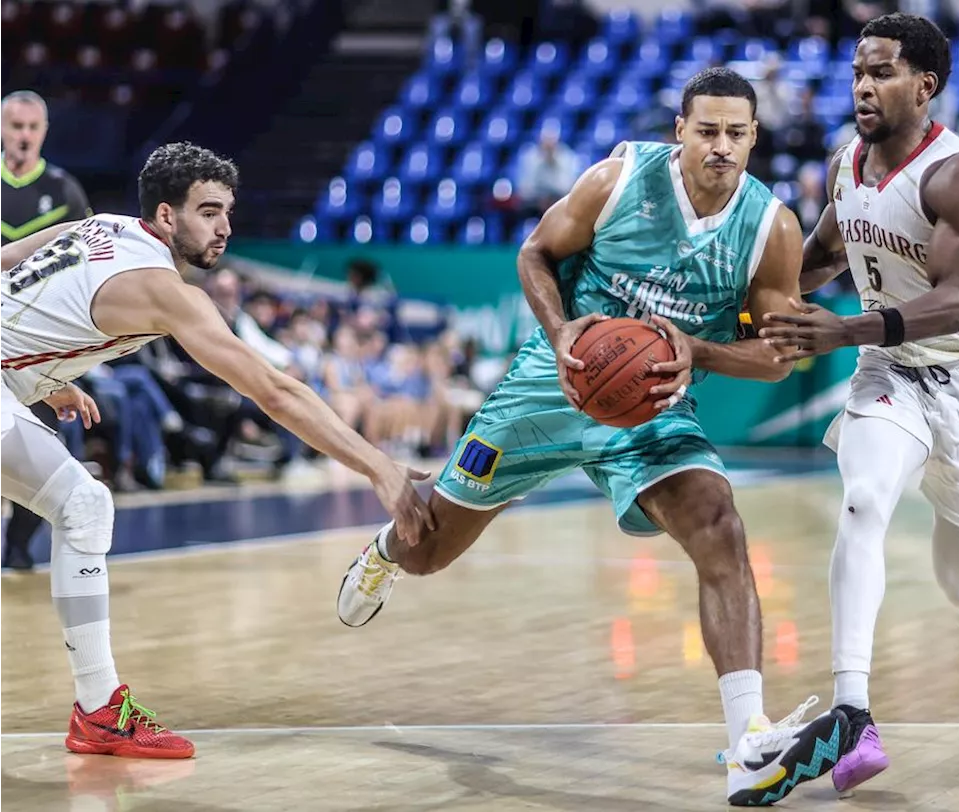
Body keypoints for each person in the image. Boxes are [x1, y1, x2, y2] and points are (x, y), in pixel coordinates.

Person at [334, 67, 851, 807]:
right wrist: (562, 329)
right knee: (426, 552)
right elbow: (534, 254)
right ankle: (385, 550)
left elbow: (777, 355)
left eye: (736, 133)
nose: (721, 146)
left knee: (718, 525)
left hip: (652, 403)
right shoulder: (618, 178)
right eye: (707, 130)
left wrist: (694, 353)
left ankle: (748, 744)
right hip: (554, 383)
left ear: (754, 138)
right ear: (680, 130)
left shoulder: (770, 226)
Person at [0, 141, 429, 759]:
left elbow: (11, 264)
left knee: (84, 505)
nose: (224, 228)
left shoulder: (101, 226)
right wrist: (377, 466)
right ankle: (99, 713)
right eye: (207, 211)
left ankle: (98, 711)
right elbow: (277, 393)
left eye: (227, 211)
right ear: (167, 217)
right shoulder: (165, 290)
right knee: (84, 506)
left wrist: (37, 375)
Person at [757, 13, 959, 793]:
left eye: (882, 74)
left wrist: (842, 330)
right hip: (890, 365)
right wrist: (752, 300)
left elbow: (956, 302)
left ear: (925, 86)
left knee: (958, 575)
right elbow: (825, 258)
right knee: (864, 502)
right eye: (857, 74)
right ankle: (852, 712)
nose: (863, 88)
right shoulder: (849, 164)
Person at [0, 90, 93, 571]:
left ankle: (17, 544)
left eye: (32, 127)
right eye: (15, 126)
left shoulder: (64, 190)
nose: (23, 136)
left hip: (42, 345)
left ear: (44, 131)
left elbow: (85, 268)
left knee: (49, 448)